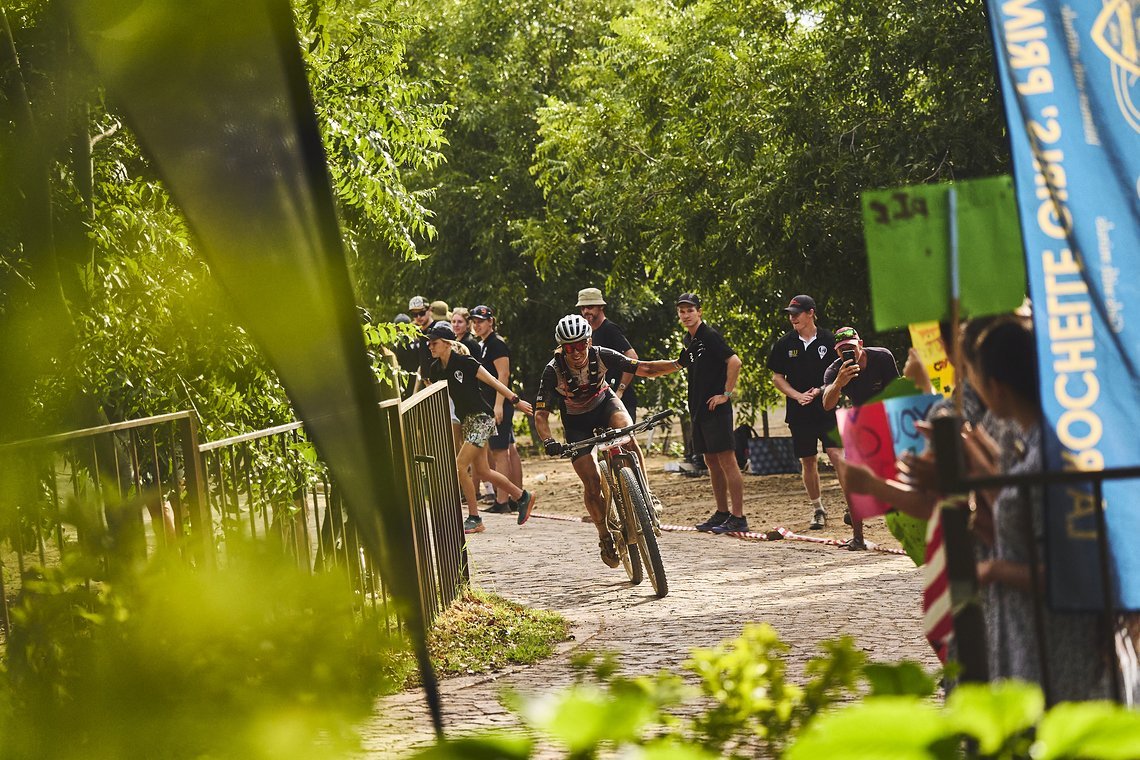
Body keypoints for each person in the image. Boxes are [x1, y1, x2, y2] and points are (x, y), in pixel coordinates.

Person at [962, 317, 1111, 701]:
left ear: (996, 386)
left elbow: (1071, 569)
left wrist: (994, 569)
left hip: (1059, 645)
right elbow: (1025, 524)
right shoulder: (1038, 446)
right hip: (1031, 636)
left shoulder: (1053, 457)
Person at [533, 314, 680, 566]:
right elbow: (541, 414)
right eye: (569, 347)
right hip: (576, 422)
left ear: (589, 341)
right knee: (591, 483)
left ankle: (645, 493)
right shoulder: (552, 370)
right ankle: (604, 535)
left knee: (627, 434)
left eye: (580, 344)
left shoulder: (602, 354)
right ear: (561, 347)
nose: (576, 351)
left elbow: (644, 368)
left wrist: (679, 363)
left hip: (605, 405)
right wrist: (548, 440)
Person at [424, 322, 537, 535]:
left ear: (447, 344)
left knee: (459, 465)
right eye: (429, 342)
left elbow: (493, 380)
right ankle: (523, 496)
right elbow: (433, 395)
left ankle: (474, 518)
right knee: (483, 471)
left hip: (482, 419)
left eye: (434, 342)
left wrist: (515, 400)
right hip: (466, 421)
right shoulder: (436, 368)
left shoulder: (464, 362)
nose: (430, 346)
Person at [766, 294, 849, 533]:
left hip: (827, 406)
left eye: (797, 313)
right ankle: (818, 509)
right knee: (808, 460)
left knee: (836, 455)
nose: (793, 318)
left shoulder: (830, 339)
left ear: (811, 312)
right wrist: (796, 395)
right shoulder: (785, 343)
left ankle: (851, 506)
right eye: (790, 314)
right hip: (799, 411)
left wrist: (822, 390)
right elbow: (777, 377)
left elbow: (840, 372)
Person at [673, 294, 747, 535]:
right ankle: (722, 512)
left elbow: (734, 361)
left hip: (716, 408)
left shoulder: (710, 335)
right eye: (682, 311)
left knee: (727, 460)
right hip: (698, 408)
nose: (685, 315)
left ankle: (739, 516)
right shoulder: (689, 339)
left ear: (699, 311)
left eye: (690, 310)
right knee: (710, 461)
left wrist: (726, 393)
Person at [821, 325, 901, 550]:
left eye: (851, 348)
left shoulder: (882, 357)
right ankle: (858, 537)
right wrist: (839, 383)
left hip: (886, 415)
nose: (847, 353)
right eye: (841, 350)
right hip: (860, 421)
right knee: (851, 476)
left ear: (861, 344)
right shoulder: (835, 370)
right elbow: (827, 404)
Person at [470, 305, 524, 513]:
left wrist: (498, 405)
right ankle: (515, 496)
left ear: (491, 322)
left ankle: (502, 501)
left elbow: (504, 375)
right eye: (474, 321)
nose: (477, 325)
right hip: (493, 404)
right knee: (509, 449)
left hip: (498, 404)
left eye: (481, 321)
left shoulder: (496, 344)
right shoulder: (485, 344)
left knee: (500, 452)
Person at [577, 287, 639, 422]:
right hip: (601, 402)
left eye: (590, 306)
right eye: (583, 308)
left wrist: (620, 391)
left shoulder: (609, 329)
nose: (586, 311)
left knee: (625, 441)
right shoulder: (589, 333)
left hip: (619, 402)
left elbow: (632, 357)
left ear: (601, 307)